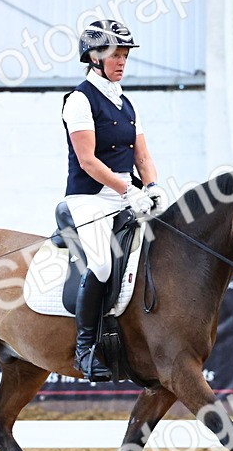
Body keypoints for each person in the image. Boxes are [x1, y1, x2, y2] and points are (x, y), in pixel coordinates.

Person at [61, 19, 164, 381]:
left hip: (127, 197)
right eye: (115, 56)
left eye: (124, 56)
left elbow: (143, 156)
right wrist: (127, 190)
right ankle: (85, 349)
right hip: (89, 198)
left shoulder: (125, 103)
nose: (121, 62)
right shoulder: (79, 100)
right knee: (103, 266)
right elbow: (88, 160)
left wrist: (151, 187)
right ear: (93, 57)